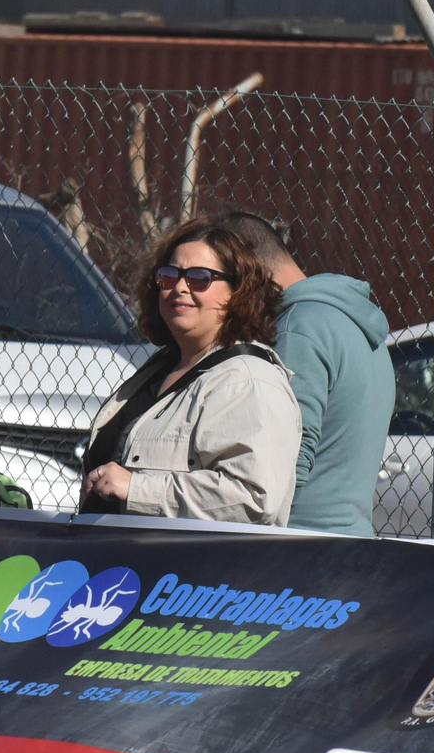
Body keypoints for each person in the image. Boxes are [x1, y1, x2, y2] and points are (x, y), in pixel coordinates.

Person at [80, 219, 300, 525]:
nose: (180, 287)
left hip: (192, 571)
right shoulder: (159, 368)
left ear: (237, 292)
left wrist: (136, 489)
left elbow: (255, 499)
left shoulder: (248, 379)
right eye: (168, 276)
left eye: (200, 278)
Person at [221, 212, 393, 537]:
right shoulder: (354, 323)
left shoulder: (299, 328)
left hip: (301, 548)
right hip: (349, 541)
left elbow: (287, 463)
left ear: (246, 270)